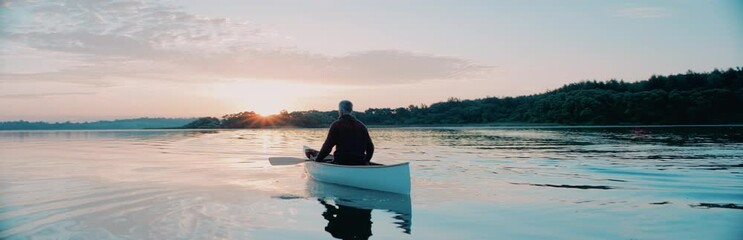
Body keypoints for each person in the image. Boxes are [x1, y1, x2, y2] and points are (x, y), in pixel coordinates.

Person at [312, 100, 374, 165]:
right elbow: (370, 147)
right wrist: (366, 161)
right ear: (351, 111)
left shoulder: (336, 125)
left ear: (341, 111)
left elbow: (327, 147)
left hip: (341, 162)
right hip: (360, 162)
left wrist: (317, 160)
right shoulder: (362, 126)